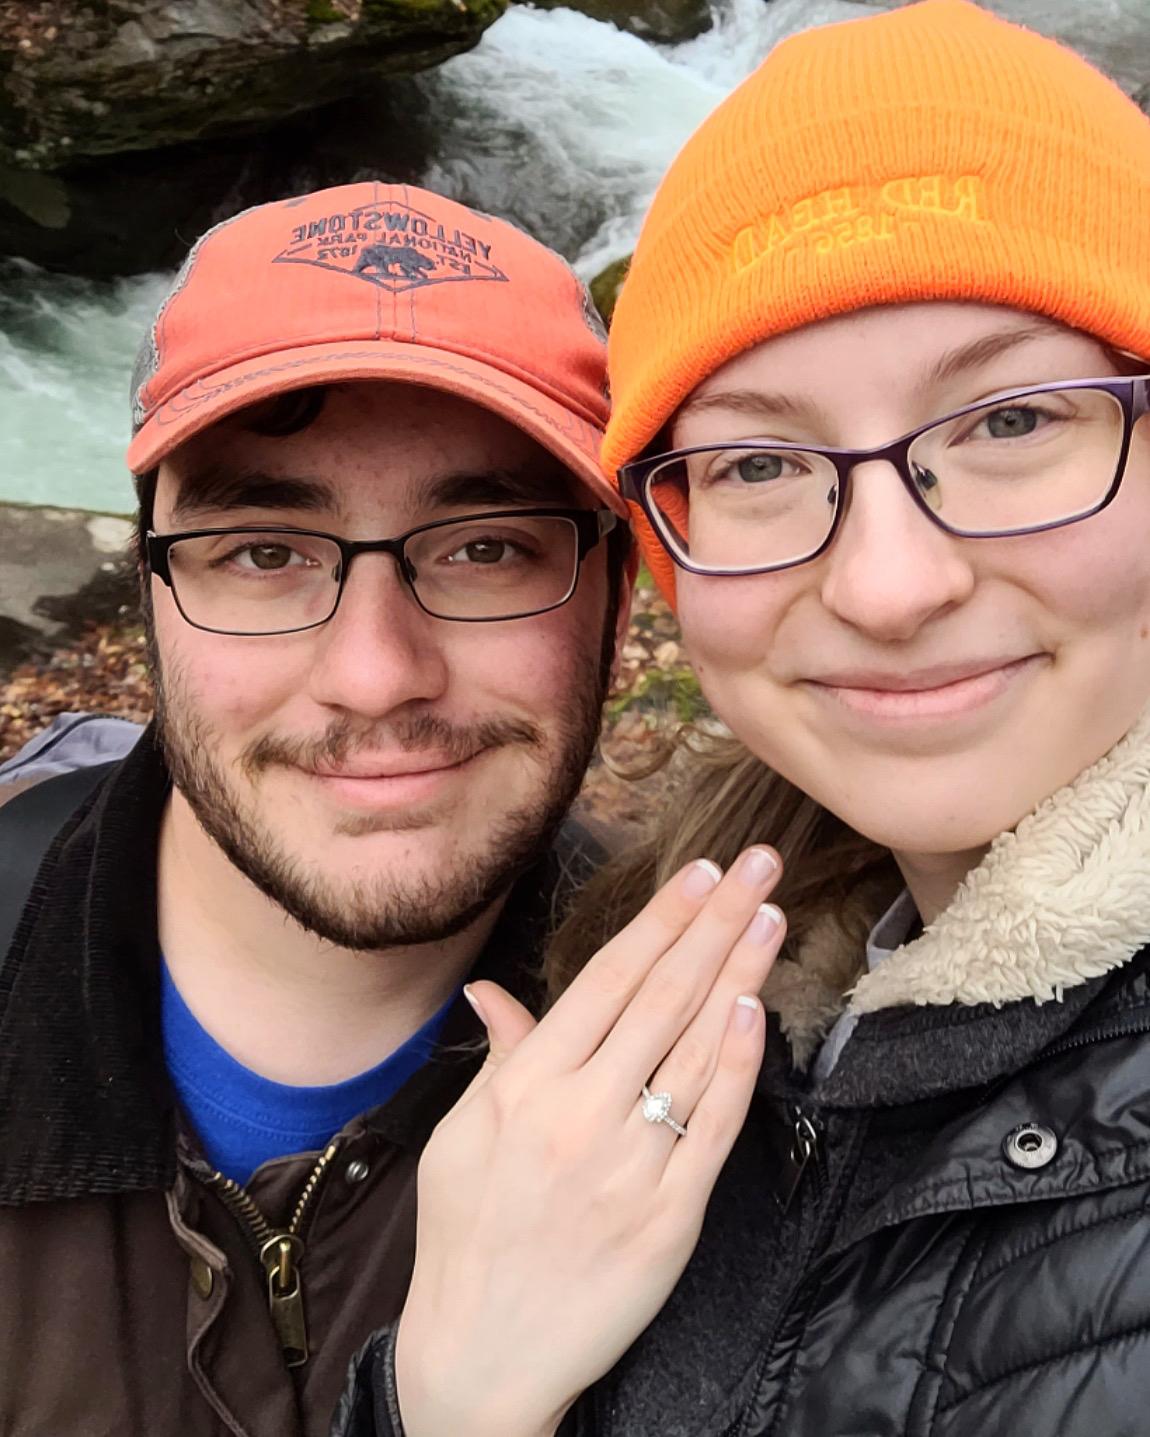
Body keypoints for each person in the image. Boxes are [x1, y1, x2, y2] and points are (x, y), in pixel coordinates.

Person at [336, 4, 1150, 1434]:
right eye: (764, 460)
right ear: (674, 545)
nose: (889, 582)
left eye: (1010, 421)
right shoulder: (727, 988)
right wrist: (447, 1388)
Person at [0, 179, 662, 1437]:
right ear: (149, 592)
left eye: (485, 549)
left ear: (613, 600)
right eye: (263, 552)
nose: (374, 673)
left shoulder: (752, 1093)